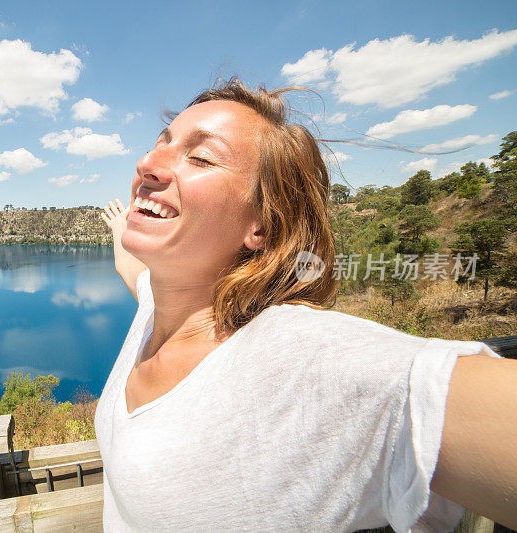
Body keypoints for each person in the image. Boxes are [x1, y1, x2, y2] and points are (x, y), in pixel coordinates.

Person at [94, 78, 517, 532]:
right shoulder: (156, 309)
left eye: (200, 156)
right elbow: (133, 272)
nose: (146, 164)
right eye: (160, 144)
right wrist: (124, 229)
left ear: (258, 224)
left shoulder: (301, 357)